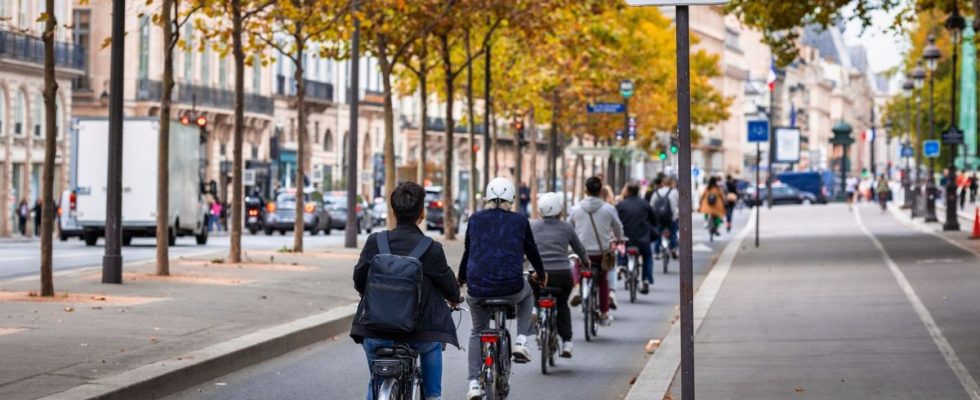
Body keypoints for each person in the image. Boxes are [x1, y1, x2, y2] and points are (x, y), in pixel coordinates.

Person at [351, 182, 461, 400]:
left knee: (376, 381)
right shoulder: (431, 248)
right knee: (431, 350)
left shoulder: (375, 242)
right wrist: (455, 299)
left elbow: (359, 280)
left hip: (375, 331)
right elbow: (450, 287)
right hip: (419, 334)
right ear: (421, 213)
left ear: (393, 211)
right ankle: (432, 396)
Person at [458, 177, 546, 400]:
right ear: (512, 199)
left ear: (488, 198)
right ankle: (521, 341)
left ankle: (473, 385)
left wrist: (461, 279)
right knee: (527, 294)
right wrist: (542, 275)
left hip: (477, 289)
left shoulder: (475, 219)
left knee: (477, 331)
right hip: (511, 286)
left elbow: (469, 252)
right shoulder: (520, 220)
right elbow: (532, 250)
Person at [530, 192, 589, 358]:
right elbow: (579, 249)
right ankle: (567, 343)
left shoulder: (532, 226)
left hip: (539, 274)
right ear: (559, 210)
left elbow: (523, 247)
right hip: (563, 274)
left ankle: (535, 308)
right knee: (562, 305)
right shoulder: (566, 227)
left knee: (533, 291)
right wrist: (585, 261)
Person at [568, 176, 624, 326]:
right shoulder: (608, 209)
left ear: (585, 190)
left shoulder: (576, 209)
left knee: (577, 262)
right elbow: (618, 228)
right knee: (603, 280)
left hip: (583, 253)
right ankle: (604, 313)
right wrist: (619, 239)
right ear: (600, 191)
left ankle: (577, 288)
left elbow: (569, 228)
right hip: (601, 253)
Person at [615, 183, 656, 294]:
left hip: (626, 239)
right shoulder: (645, 204)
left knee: (620, 245)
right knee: (647, 255)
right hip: (642, 238)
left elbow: (615, 222)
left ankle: (621, 264)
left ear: (627, 191)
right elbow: (653, 220)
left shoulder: (621, 205)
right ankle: (647, 279)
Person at [651, 176, 680, 260]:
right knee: (673, 233)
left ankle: (656, 252)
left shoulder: (656, 192)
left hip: (659, 218)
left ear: (662, 183)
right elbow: (679, 204)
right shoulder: (674, 192)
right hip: (672, 217)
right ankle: (673, 249)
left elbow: (651, 205)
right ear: (671, 183)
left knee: (658, 234)